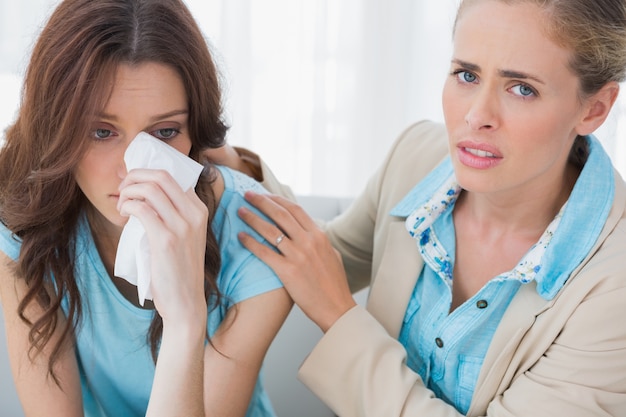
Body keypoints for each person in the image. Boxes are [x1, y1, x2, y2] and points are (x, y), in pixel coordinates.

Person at [229, 0, 626, 415]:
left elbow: (327, 289)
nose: (476, 116)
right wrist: (237, 174)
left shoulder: (615, 285)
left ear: (594, 108)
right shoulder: (416, 157)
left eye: (522, 88)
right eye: (466, 75)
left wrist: (339, 316)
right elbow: (328, 259)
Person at [0, 1, 292, 416]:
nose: (132, 168)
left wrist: (186, 320)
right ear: (57, 129)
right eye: (101, 132)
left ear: (196, 132)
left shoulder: (255, 239)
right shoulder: (23, 220)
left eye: (165, 132)